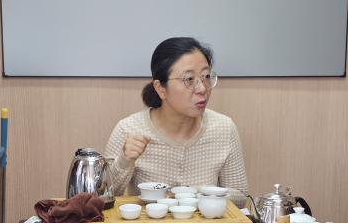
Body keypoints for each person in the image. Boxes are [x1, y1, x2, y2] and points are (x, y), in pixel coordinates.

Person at [104, 37, 248, 200]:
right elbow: (104, 197)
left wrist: (197, 193)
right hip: (148, 217)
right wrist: (125, 161)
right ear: (161, 88)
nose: (202, 88)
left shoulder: (224, 128)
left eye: (206, 76)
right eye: (189, 79)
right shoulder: (128, 129)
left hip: (205, 218)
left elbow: (241, 197)